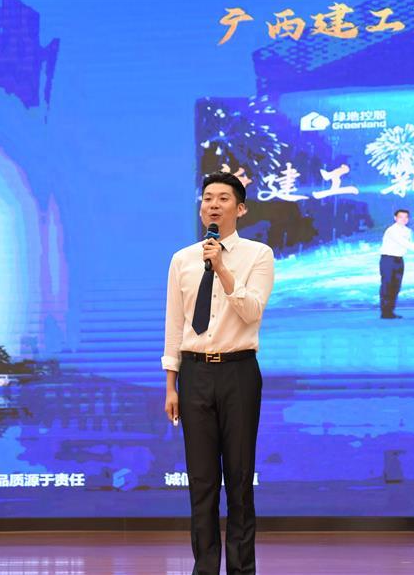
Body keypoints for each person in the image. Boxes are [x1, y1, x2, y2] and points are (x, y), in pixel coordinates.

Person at [162, 171, 274, 575]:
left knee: (240, 479)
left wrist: (223, 268)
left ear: (240, 209)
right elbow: (175, 324)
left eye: (223, 198)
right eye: (208, 197)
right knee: (202, 481)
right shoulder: (182, 259)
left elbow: (252, 311)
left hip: (238, 372)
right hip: (194, 374)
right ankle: (205, 568)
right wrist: (171, 385)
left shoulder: (258, 255)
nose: (213, 204)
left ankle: (242, 569)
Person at [379, 209, 414, 319]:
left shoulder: (408, 231)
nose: (404, 219)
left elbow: (410, 244)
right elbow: (405, 243)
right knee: (387, 285)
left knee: (396, 285)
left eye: (406, 217)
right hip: (388, 259)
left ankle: (390, 310)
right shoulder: (391, 230)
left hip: (399, 260)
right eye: (401, 217)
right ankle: (385, 312)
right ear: (395, 218)